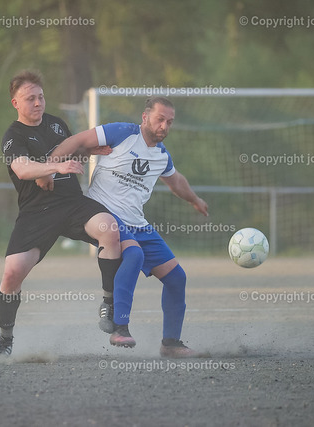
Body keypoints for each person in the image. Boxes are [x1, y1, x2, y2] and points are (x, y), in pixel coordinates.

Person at [47, 97, 209, 358]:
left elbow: (176, 181)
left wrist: (195, 200)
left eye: (169, 122)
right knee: (134, 254)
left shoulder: (161, 156)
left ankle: (171, 344)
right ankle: (119, 327)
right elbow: (76, 141)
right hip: (104, 215)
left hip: (137, 223)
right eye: (160, 119)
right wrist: (48, 168)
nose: (164, 126)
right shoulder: (121, 133)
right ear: (145, 117)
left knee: (177, 278)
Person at [0, 70, 123, 355]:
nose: (38, 103)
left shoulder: (56, 124)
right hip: (37, 212)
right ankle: (5, 340)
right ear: (15, 103)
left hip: (72, 204)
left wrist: (90, 151)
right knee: (11, 274)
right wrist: (55, 167)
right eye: (30, 98)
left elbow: (74, 154)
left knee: (110, 229)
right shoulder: (13, 136)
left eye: (41, 97)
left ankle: (109, 304)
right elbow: (22, 168)